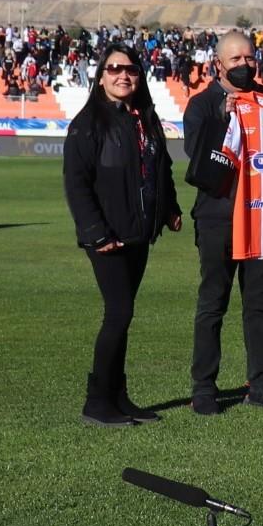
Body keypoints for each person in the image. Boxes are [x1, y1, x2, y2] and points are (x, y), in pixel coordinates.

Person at [63, 44, 182, 426]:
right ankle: (96, 402)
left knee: (123, 316)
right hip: (108, 237)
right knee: (119, 313)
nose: (122, 75)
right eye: (114, 68)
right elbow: (77, 185)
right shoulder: (88, 123)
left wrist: (169, 208)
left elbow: (159, 168)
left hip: (137, 233)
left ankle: (118, 395)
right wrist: (96, 233)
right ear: (101, 75)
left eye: (130, 69)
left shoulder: (144, 117)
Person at [182, 31, 263, 415]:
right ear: (218, 65)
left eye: (249, 58)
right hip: (218, 218)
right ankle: (204, 388)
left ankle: (260, 383)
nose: (244, 65)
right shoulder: (201, 105)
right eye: (235, 60)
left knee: (259, 304)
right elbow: (196, 161)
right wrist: (223, 121)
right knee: (213, 302)